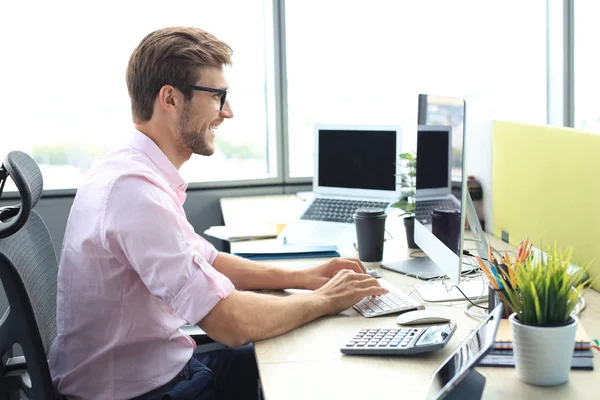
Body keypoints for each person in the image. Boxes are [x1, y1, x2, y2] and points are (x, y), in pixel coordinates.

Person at [48, 27, 387, 400]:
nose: (227, 112)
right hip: (143, 393)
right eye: (217, 96)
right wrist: (326, 300)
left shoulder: (133, 173)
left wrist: (304, 277)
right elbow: (230, 323)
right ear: (171, 99)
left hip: (166, 371)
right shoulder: (134, 192)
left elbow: (207, 260)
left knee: (299, 359)